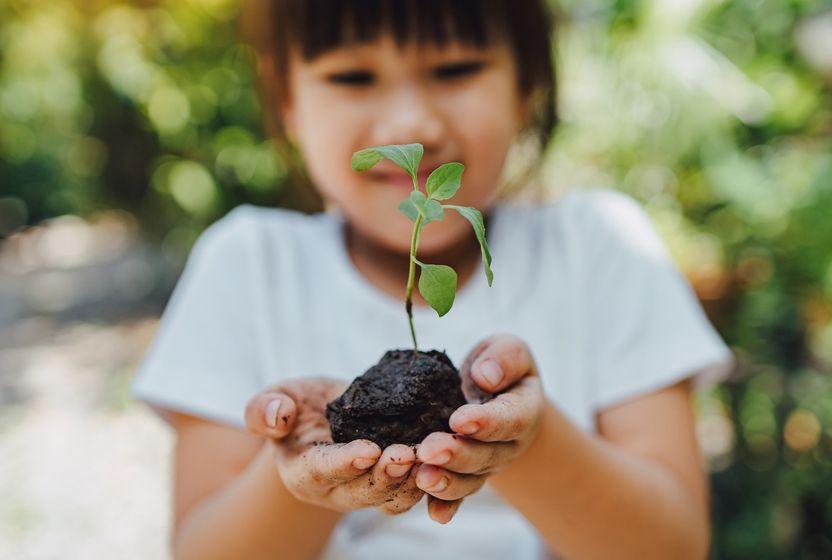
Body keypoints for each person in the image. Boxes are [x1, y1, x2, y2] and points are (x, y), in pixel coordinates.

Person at [130, 1, 735, 558]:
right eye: (353, 77)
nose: (411, 125)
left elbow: (673, 545)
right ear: (286, 98)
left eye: (455, 69)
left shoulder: (601, 246)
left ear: (527, 82)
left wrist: (523, 440)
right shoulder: (248, 263)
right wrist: (307, 478)